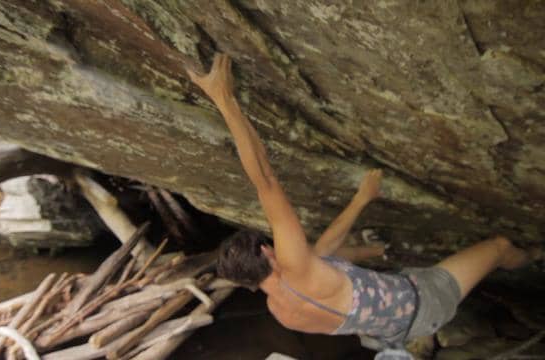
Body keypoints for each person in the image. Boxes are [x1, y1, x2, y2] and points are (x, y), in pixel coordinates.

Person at [187, 53, 534, 356]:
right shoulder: (295, 264)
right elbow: (265, 179)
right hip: (427, 300)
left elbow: (323, 254)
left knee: (343, 254)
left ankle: (384, 263)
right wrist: (224, 98)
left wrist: (361, 202)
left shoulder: (281, 310)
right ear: (267, 253)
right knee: (500, 247)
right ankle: (532, 257)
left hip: (397, 330)